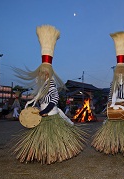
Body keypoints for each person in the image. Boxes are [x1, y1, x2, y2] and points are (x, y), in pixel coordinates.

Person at [11, 25, 87, 164]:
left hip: (50, 114)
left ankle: (54, 154)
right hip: (43, 113)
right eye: (41, 72)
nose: (42, 75)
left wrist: (45, 110)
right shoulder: (42, 85)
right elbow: (39, 96)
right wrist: (31, 103)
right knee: (43, 137)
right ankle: (43, 154)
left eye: (44, 72)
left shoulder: (51, 84)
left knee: (55, 136)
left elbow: (55, 99)